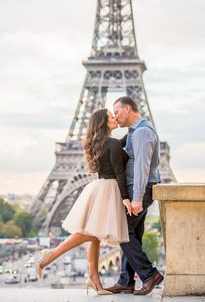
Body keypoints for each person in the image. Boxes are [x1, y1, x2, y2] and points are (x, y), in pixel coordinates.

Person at [34, 108, 132, 295]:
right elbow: (119, 171)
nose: (115, 118)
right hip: (109, 189)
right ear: (104, 122)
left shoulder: (101, 143)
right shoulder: (111, 143)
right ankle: (50, 255)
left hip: (99, 187)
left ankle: (94, 279)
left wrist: (132, 131)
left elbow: (116, 149)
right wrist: (126, 198)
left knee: (94, 237)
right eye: (111, 117)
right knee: (90, 233)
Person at [106, 96, 164, 295]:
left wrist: (137, 198)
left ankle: (150, 275)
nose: (115, 116)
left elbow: (142, 167)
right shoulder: (134, 132)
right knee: (133, 235)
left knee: (123, 231)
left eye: (117, 111)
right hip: (137, 188)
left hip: (140, 189)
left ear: (128, 109)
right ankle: (126, 280)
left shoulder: (142, 133)